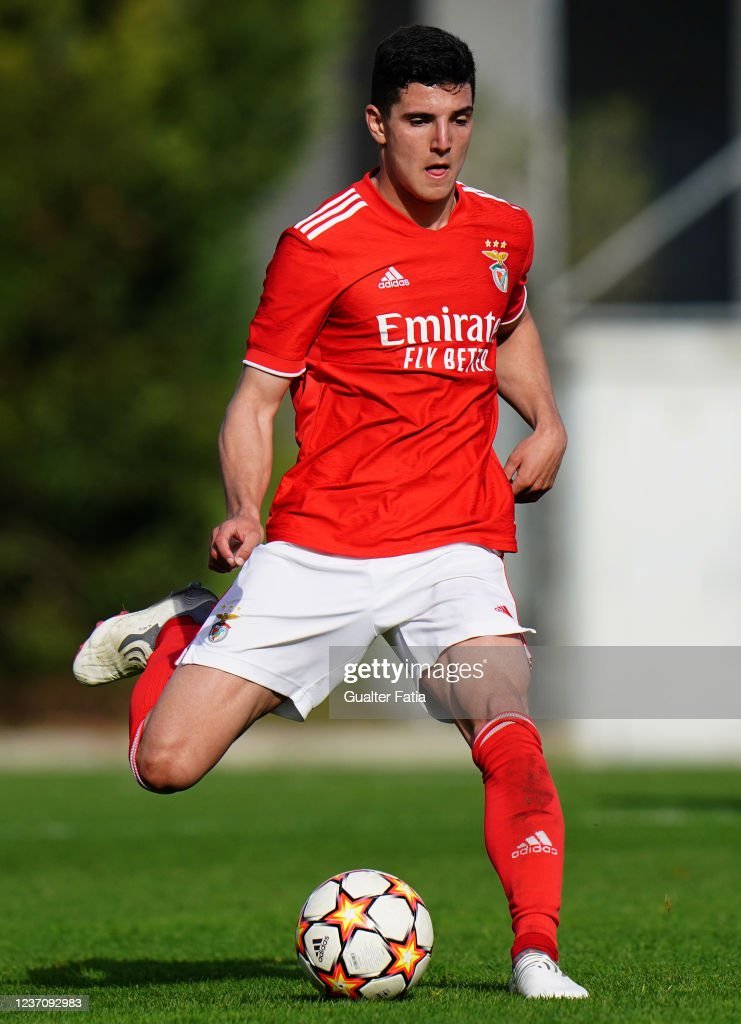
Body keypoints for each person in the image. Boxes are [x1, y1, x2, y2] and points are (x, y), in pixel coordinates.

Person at [73, 24, 587, 1000]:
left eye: (460, 119)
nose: (443, 141)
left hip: (454, 542)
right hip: (324, 545)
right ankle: (184, 627)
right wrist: (244, 507)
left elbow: (507, 324)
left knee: (508, 730)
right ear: (376, 123)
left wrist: (548, 420)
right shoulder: (319, 246)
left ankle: (535, 953)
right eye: (420, 121)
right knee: (165, 766)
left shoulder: (502, 230)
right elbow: (254, 403)